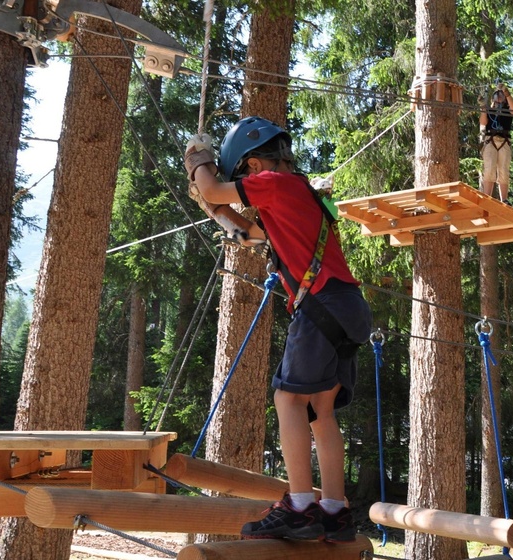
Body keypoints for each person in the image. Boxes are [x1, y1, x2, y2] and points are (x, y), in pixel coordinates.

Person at [184, 116, 372, 541]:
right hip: (346, 307)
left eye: (242, 179)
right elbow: (251, 234)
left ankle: (301, 505)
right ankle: (334, 509)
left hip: (320, 303)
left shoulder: (272, 183)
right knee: (318, 411)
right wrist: (215, 207)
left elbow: (214, 188)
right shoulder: (298, 192)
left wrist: (199, 161)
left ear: (252, 166)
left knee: (288, 400)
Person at [479, 83, 513, 204]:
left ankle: (504, 199)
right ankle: (487, 197)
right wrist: (483, 108)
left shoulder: (507, 111)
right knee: (490, 169)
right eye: (497, 96)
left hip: (504, 141)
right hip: (490, 140)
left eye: (501, 96)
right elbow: (483, 122)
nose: (499, 98)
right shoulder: (489, 111)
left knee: (503, 170)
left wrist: (506, 91)